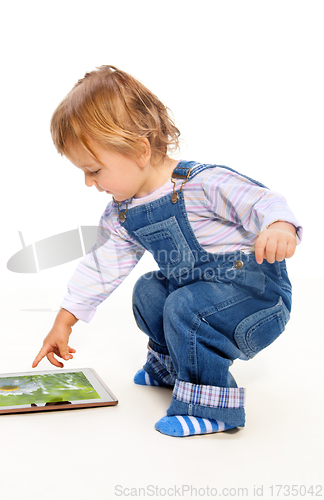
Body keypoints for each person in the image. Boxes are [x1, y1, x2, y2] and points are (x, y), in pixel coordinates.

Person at [32, 65, 302, 437]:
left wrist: (279, 227)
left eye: (94, 170)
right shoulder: (122, 213)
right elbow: (100, 268)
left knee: (186, 305)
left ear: (140, 151)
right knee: (149, 290)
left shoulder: (204, 183)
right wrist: (64, 321)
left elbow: (264, 201)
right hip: (198, 299)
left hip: (256, 300)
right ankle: (172, 367)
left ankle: (213, 408)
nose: (88, 182)